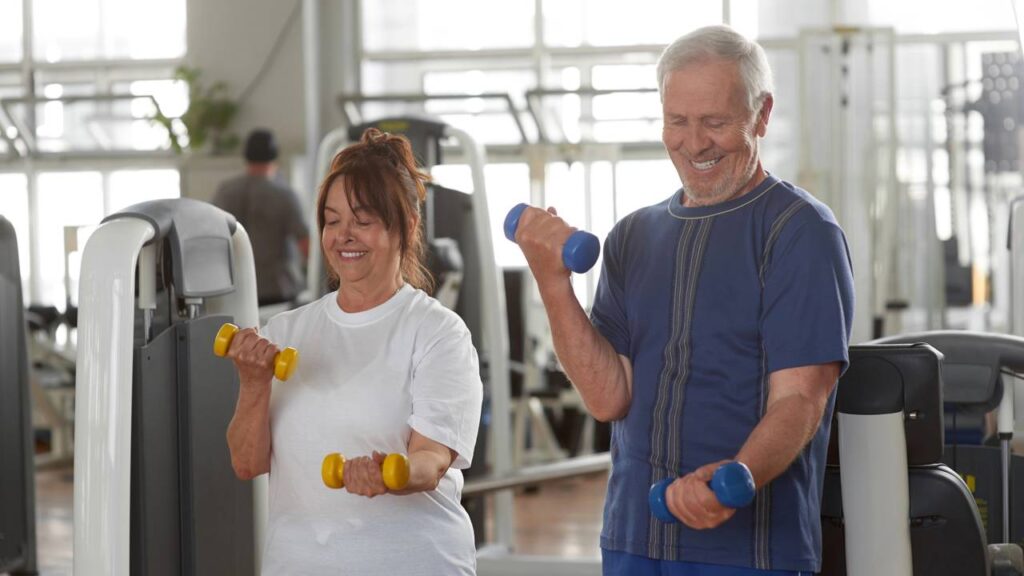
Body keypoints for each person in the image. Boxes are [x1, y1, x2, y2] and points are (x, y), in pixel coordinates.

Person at [511, 25, 855, 575]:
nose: (694, 144)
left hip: (749, 550)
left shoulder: (799, 231)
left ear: (761, 115)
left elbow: (801, 400)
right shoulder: (633, 236)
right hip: (633, 536)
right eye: (678, 121)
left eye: (716, 123)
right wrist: (553, 283)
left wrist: (735, 478)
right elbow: (607, 398)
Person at [224, 128, 483, 575]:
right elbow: (246, 464)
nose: (344, 235)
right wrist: (253, 383)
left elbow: (432, 460)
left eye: (363, 221)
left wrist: (390, 473)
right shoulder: (285, 331)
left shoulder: (438, 333)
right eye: (332, 219)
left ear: (407, 227)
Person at [213, 128, 310, 306]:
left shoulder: (225, 191)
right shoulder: (284, 194)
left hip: (235, 290)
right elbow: (305, 245)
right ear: (275, 156)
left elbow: (212, 239)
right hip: (278, 290)